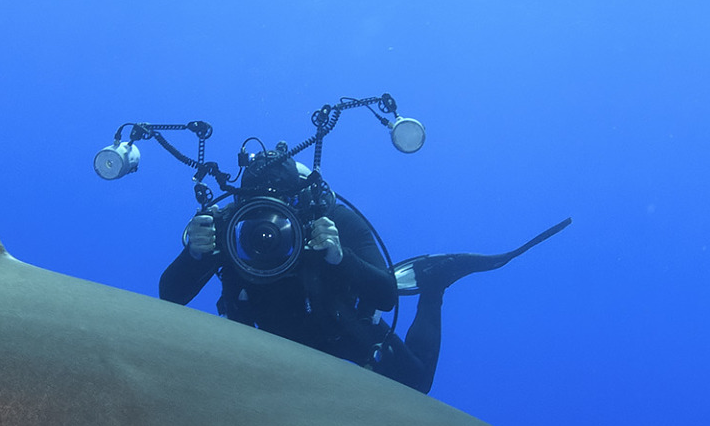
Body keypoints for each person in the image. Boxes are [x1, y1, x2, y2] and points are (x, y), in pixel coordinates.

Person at [158, 149, 545, 394]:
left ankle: (433, 283)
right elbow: (170, 297)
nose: (267, 228)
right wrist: (193, 253)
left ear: (301, 203)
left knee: (416, 386)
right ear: (244, 203)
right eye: (257, 210)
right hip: (261, 339)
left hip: (338, 327)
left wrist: (340, 257)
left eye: (283, 210)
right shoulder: (228, 226)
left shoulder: (332, 222)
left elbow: (386, 296)